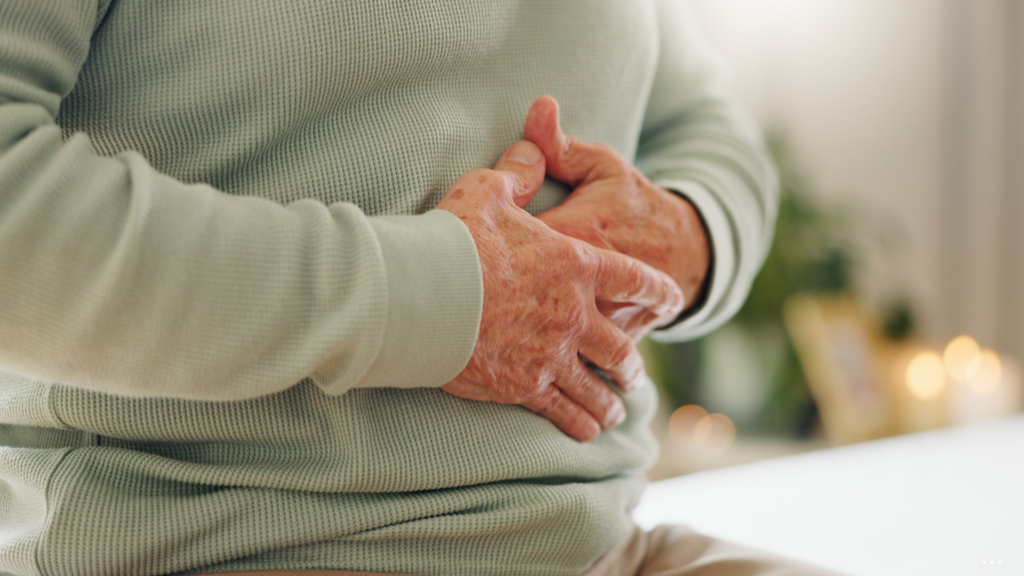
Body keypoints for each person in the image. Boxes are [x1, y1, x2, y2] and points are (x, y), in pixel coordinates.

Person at [0, 1, 837, 575]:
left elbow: (701, 123)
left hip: (606, 548)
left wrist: (689, 233)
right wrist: (443, 298)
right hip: (227, 545)